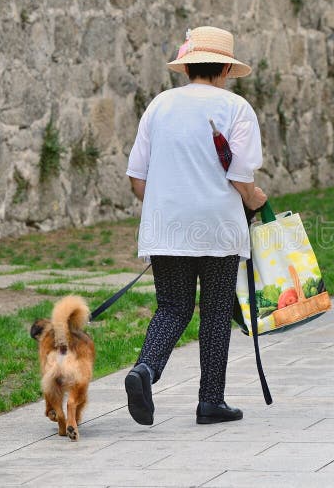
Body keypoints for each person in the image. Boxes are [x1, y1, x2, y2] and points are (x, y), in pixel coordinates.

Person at [124, 26, 267, 426]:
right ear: (225, 68)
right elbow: (241, 178)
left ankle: (145, 370)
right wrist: (258, 199)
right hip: (218, 226)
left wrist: (166, 209)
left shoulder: (159, 105)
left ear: (187, 66)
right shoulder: (237, 109)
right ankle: (210, 402)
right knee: (216, 310)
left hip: (167, 226)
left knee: (173, 306)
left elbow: (138, 178)